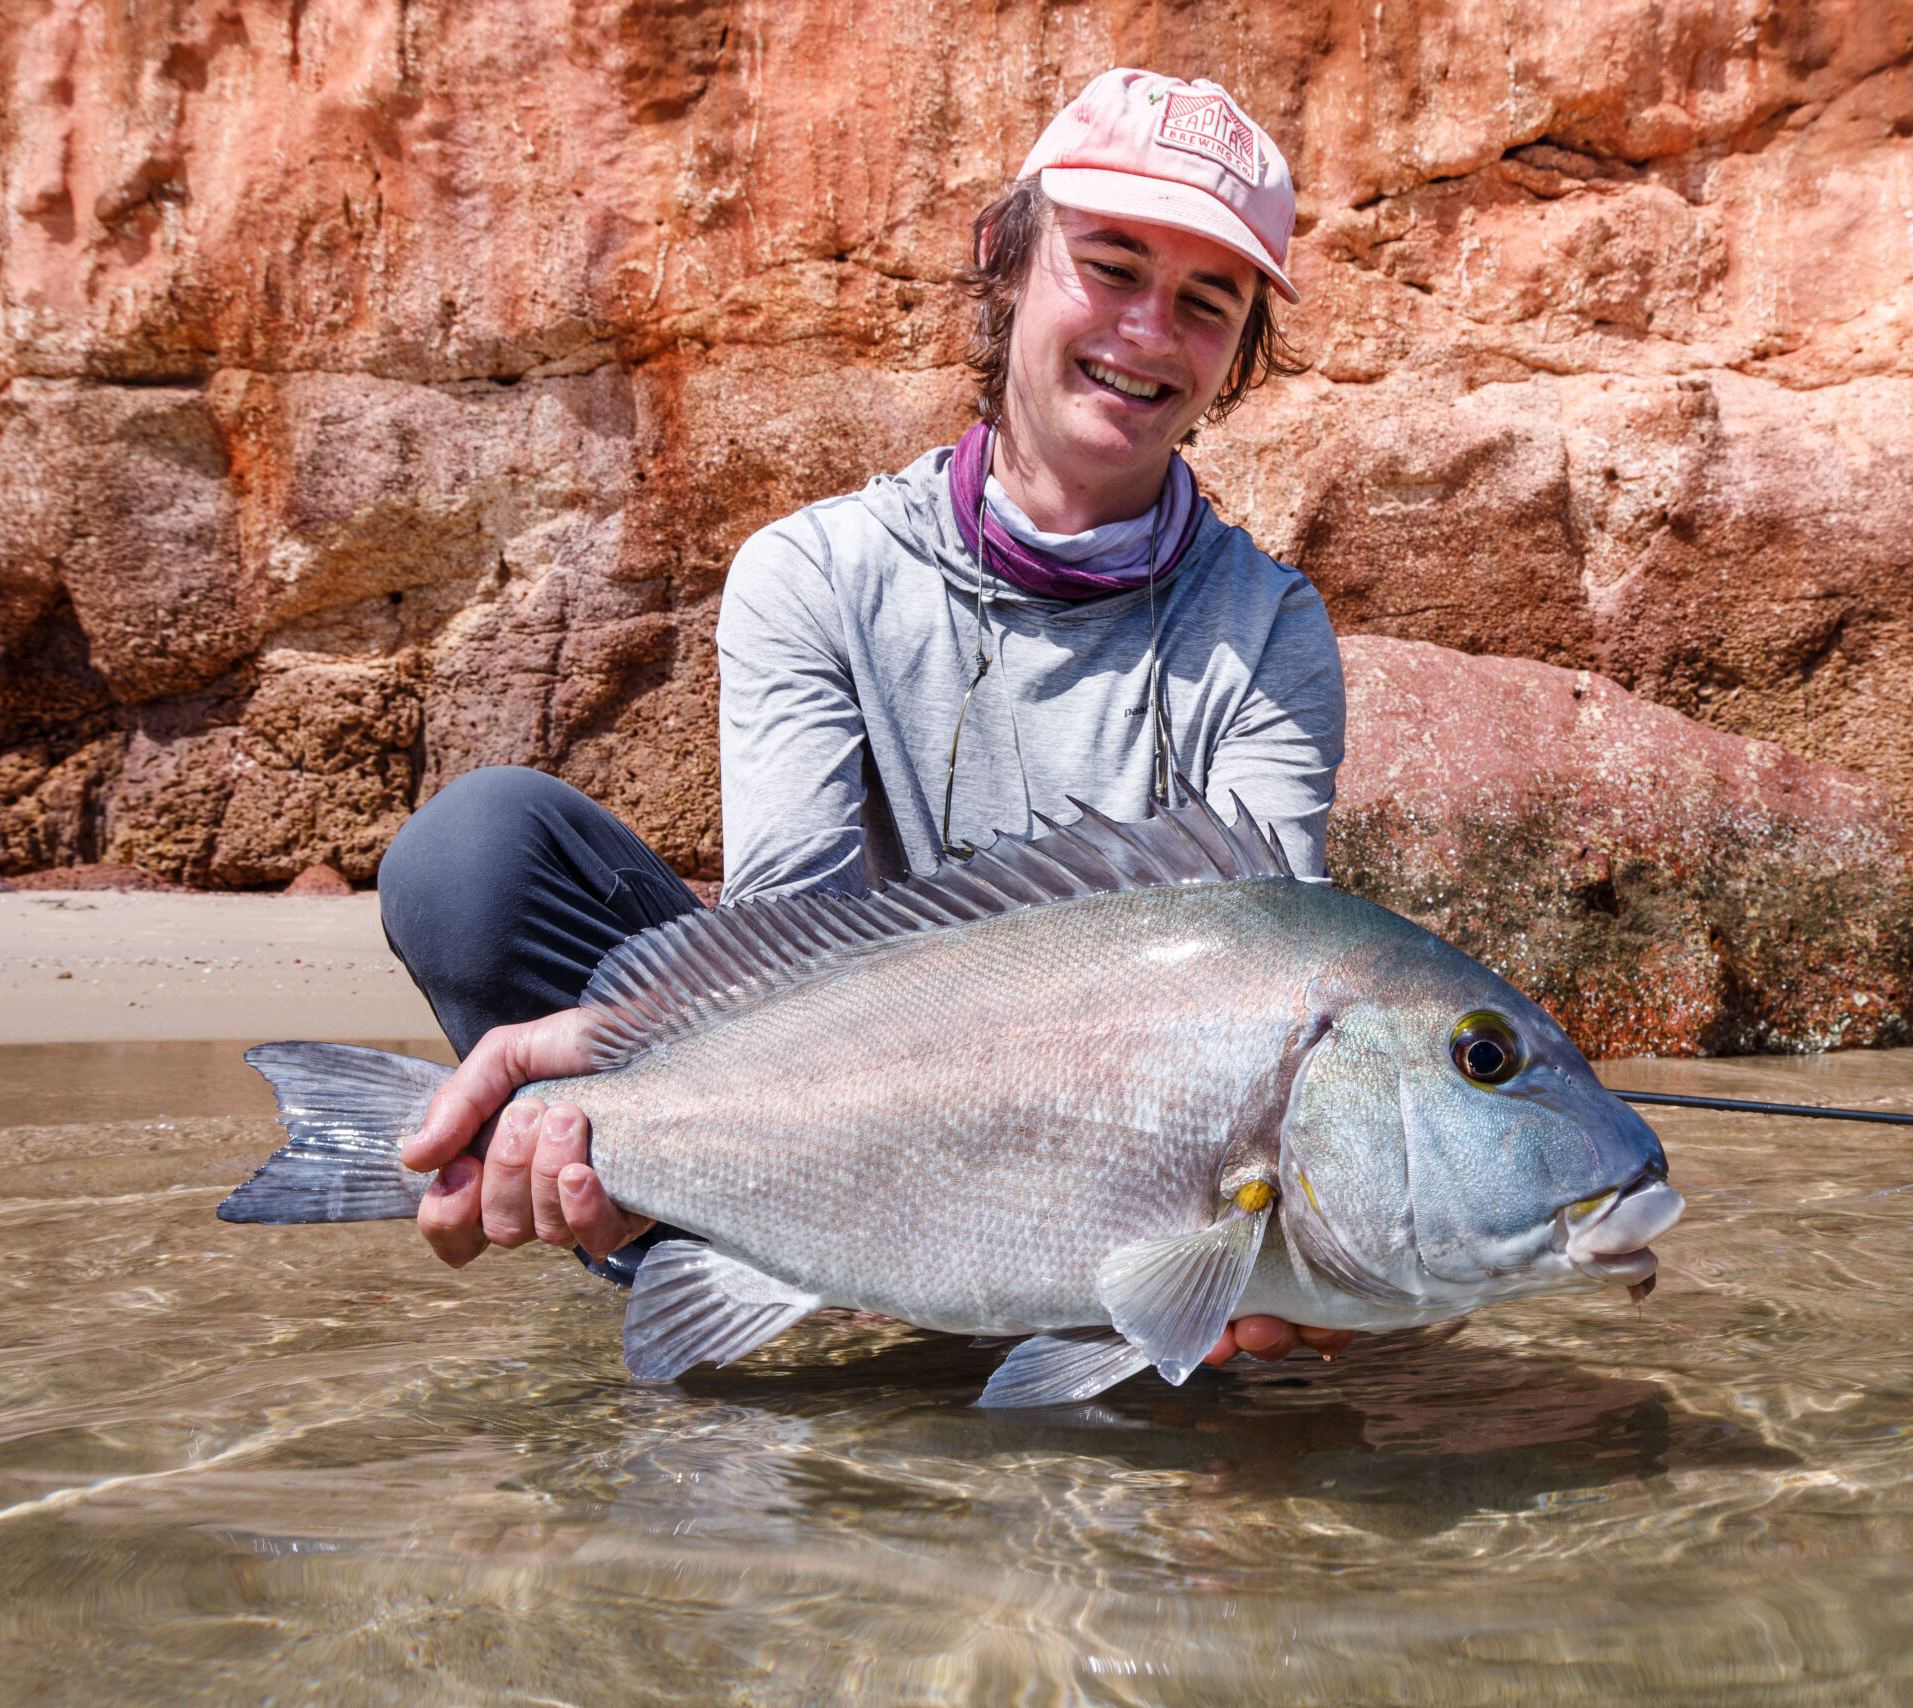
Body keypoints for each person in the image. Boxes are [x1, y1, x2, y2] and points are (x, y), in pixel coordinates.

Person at [378, 68, 1351, 1368]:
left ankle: (981, 1297)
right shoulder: (815, 574)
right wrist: (621, 1055)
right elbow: (791, 940)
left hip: (1118, 1170)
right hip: (829, 1101)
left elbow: (1265, 967)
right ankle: (693, 1217)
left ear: (1236, 357)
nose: (1147, 331)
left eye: (1205, 305)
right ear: (1006, 261)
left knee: (1287, 1300)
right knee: (475, 861)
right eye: (1110, 267)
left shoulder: (1274, 631)